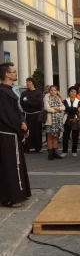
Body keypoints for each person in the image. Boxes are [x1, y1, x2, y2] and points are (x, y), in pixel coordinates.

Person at [0, 63, 30, 207]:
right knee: (11, 165)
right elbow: (7, 115)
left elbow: (17, 111)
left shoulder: (9, 91)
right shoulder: (2, 92)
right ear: (7, 74)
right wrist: (20, 125)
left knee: (15, 164)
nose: (15, 73)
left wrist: (23, 122)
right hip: (7, 134)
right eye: (13, 71)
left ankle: (18, 194)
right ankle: (12, 197)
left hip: (13, 133)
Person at [19, 78, 43, 153]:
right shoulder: (24, 93)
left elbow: (39, 103)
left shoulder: (38, 92)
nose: (27, 83)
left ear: (33, 83)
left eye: (29, 82)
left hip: (36, 115)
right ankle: (27, 147)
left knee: (37, 131)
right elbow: (22, 103)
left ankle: (38, 147)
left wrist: (28, 102)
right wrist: (30, 103)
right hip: (27, 115)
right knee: (27, 131)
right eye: (26, 82)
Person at [43, 85, 66, 160]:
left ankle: (55, 152)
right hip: (50, 120)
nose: (53, 92)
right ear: (49, 91)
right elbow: (47, 108)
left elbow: (64, 107)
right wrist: (55, 110)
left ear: (57, 91)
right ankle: (50, 153)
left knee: (56, 137)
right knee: (50, 137)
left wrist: (58, 108)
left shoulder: (58, 98)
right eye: (51, 90)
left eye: (54, 90)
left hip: (57, 121)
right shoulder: (47, 98)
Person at [61, 86, 80, 157]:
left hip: (75, 120)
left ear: (76, 93)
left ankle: (74, 151)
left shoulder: (78, 101)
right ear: (69, 92)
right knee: (65, 136)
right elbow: (67, 109)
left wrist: (77, 109)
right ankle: (64, 151)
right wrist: (76, 109)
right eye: (71, 91)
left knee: (75, 136)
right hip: (67, 120)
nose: (73, 93)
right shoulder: (65, 100)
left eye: (75, 92)